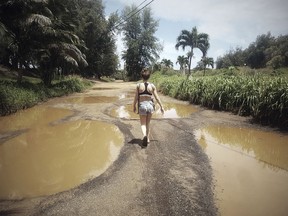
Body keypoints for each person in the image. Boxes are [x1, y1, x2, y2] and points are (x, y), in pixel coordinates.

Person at [133, 68, 164, 147]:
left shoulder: (139, 85)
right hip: (150, 106)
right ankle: (148, 139)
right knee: (148, 123)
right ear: (149, 77)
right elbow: (157, 97)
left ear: (142, 76)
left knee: (143, 124)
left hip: (142, 106)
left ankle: (144, 136)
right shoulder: (152, 86)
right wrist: (161, 106)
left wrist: (134, 106)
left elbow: (136, 97)